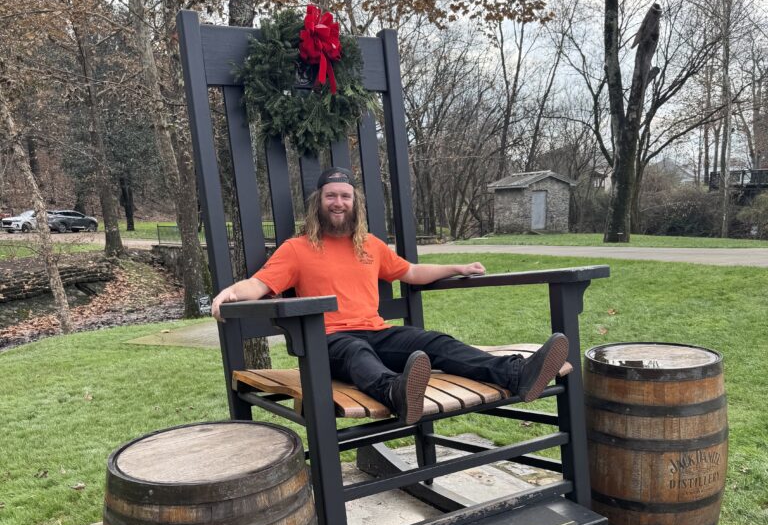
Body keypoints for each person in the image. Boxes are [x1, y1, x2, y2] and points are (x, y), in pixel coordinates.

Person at [212, 168, 569, 424]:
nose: (338, 203)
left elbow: (410, 272)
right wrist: (230, 291)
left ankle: (516, 373)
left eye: (345, 196)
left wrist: (457, 267)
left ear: (355, 203)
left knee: (434, 342)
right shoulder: (297, 249)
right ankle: (396, 393)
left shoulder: (370, 246)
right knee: (356, 351)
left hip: (377, 330)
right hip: (329, 341)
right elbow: (259, 285)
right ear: (318, 203)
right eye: (331, 196)